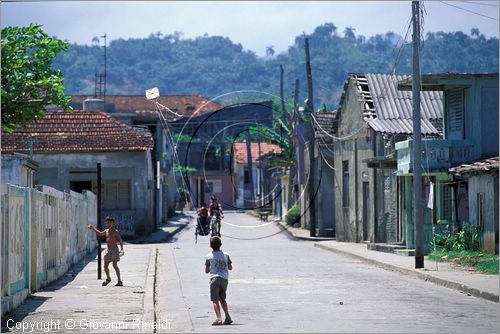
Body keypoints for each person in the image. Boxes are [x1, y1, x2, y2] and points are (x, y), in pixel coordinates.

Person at [88, 216, 124, 286]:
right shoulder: (106, 230)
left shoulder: (115, 231)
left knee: (115, 265)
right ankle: (108, 278)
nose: (109, 224)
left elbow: (120, 240)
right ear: (106, 223)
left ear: (113, 223)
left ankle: (119, 281)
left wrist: (122, 249)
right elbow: (100, 234)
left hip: (114, 250)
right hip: (108, 250)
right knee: (105, 266)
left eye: (110, 223)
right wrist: (93, 228)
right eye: (108, 223)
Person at [205, 236, 232, 326]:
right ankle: (227, 317)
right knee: (222, 299)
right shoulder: (226, 255)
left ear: (210, 246)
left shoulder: (209, 256)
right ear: (221, 244)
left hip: (214, 279)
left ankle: (219, 319)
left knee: (215, 300)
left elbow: (206, 270)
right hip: (224, 279)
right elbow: (230, 267)